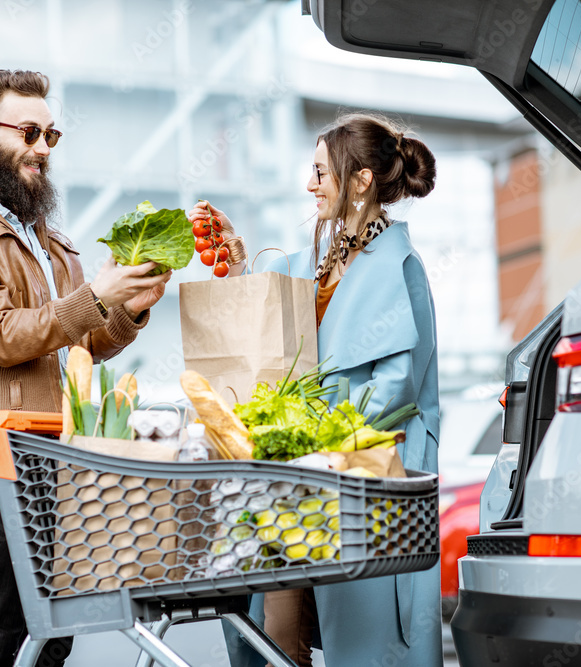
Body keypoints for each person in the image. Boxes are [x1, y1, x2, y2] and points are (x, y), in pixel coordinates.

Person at [0, 69, 171, 667]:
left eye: (51, 137)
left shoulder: (48, 241)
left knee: (55, 632)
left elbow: (79, 343)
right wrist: (96, 298)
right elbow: (1, 337)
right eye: (29, 133)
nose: (41, 149)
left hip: (63, 452)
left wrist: (128, 311)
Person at [188, 113, 441, 667]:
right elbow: (274, 311)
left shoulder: (400, 267)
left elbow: (395, 391)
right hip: (304, 480)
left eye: (321, 172)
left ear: (361, 181)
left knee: (365, 640)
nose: (310, 185)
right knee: (279, 624)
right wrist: (237, 258)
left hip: (366, 479)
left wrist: (318, 448)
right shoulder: (319, 263)